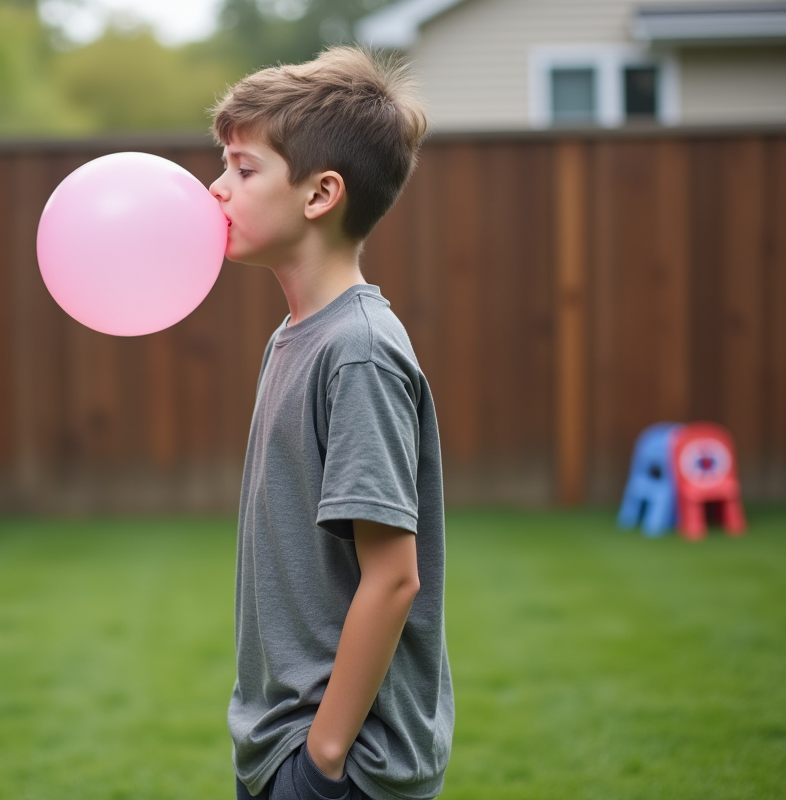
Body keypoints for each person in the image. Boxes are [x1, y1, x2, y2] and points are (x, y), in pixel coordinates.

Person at [208, 46, 454, 800]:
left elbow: (393, 575)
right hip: (279, 740)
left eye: (243, 168)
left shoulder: (358, 352)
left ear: (320, 194)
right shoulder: (295, 337)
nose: (216, 188)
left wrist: (323, 754)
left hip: (340, 765)